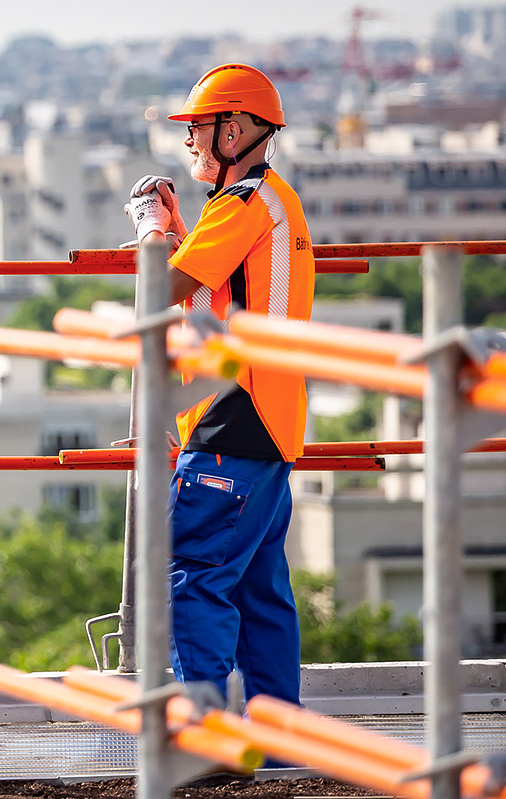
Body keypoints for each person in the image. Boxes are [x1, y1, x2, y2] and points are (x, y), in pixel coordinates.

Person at [123, 62, 314, 707]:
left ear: (233, 131)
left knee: (189, 577)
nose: (190, 142)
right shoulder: (267, 199)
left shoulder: (242, 202)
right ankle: (278, 738)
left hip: (233, 419)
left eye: (199, 129)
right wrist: (181, 232)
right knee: (260, 595)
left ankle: (200, 735)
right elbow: (220, 293)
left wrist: (151, 233)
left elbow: (164, 290)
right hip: (270, 419)